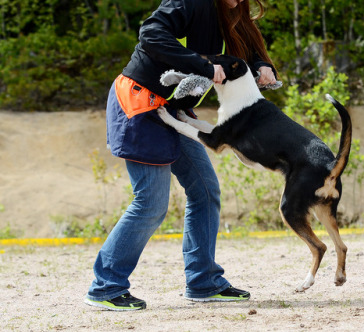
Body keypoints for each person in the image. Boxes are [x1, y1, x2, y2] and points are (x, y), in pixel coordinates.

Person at [84, 0, 277, 311]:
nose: (239, 1)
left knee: (205, 190)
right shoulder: (190, 2)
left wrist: (261, 66)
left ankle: (202, 282)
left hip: (172, 110)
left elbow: (244, 50)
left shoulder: (230, 10)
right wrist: (201, 65)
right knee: (151, 203)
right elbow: (150, 33)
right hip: (140, 103)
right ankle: (105, 286)